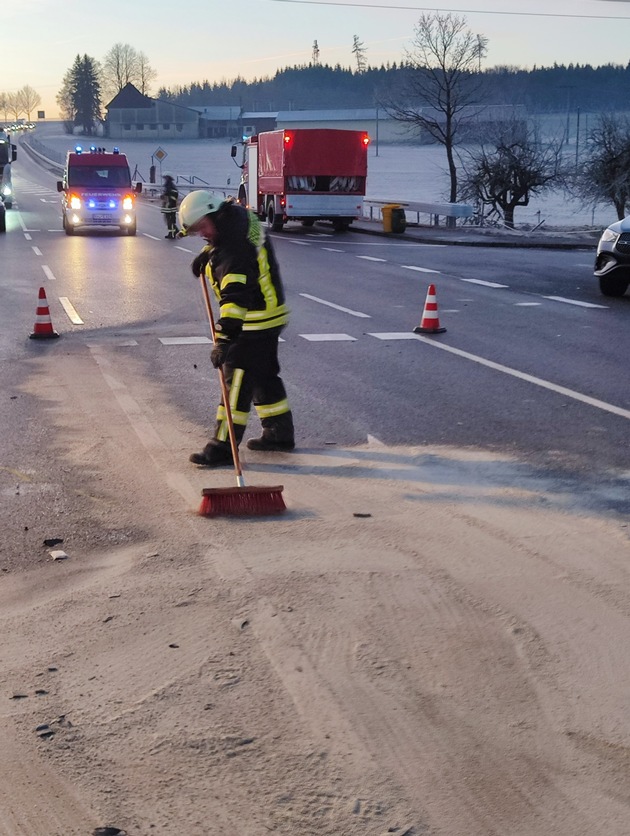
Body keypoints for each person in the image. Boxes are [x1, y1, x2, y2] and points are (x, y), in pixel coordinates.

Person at [178, 190, 295, 467]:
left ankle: (222, 447)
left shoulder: (234, 252)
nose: (202, 235)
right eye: (196, 232)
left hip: (252, 320)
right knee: (264, 375)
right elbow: (227, 238)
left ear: (214, 215)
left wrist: (224, 339)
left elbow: (235, 299)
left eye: (202, 228)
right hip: (270, 311)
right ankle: (279, 432)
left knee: (236, 381)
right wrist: (208, 252)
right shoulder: (240, 218)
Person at [161, 172, 179, 239]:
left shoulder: (169, 186)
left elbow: (170, 195)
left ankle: (171, 233)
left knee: (169, 220)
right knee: (170, 220)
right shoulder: (170, 186)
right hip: (170, 206)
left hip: (169, 206)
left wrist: (165, 197)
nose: (165, 179)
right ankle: (175, 231)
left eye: (165, 178)